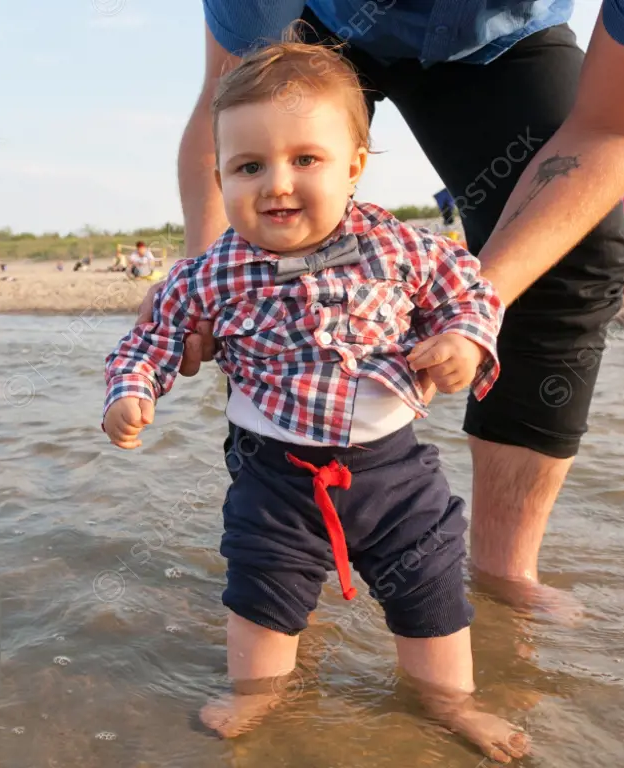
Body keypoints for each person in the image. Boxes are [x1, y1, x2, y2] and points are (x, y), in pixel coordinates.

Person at [136, 2, 624, 621]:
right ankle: (282, 561)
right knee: (260, 272)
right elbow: (227, 112)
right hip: (319, 21)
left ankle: (502, 572)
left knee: (573, 262)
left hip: (499, 44)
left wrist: (469, 315)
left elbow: (614, 126)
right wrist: (208, 286)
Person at [104, 42, 530, 763]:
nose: (276, 184)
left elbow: (470, 291)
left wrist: (463, 341)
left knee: (428, 588)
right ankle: (258, 695)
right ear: (220, 178)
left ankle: (451, 703)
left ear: (354, 167)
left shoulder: (398, 246)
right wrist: (132, 390)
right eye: (249, 167)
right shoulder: (212, 272)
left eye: (306, 159)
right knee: (261, 588)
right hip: (275, 473)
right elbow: (153, 335)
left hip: (394, 470)